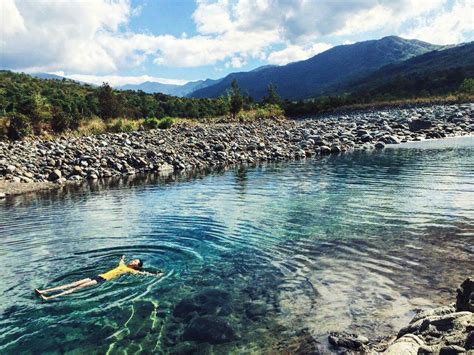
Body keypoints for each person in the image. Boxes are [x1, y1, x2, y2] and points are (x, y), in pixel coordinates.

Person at [35, 255, 162, 300]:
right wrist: (123, 257)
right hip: (97, 275)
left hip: (101, 280)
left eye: (136, 262)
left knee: (76, 288)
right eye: (134, 260)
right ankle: (44, 291)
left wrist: (155, 275)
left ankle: (50, 297)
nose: (133, 261)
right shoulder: (123, 264)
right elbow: (121, 260)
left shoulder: (130, 270)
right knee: (72, 284)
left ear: (136, 266)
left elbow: (143, 273)